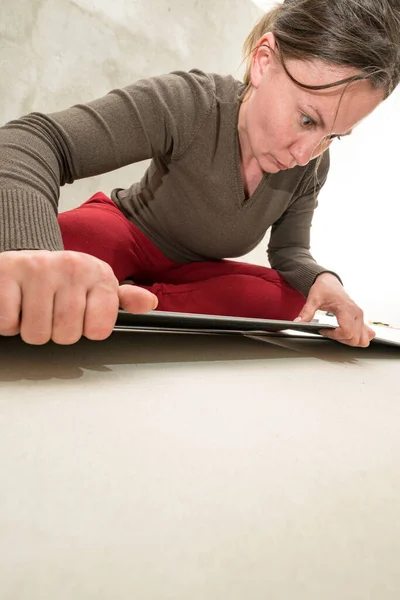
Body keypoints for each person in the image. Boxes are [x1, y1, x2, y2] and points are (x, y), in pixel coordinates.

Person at [0, 0, 399, 347]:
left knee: (294, 301)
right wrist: (31, 251)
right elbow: (35, 139)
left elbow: (289, 252)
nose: (304, 154)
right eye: (307, 119)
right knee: (69, 247)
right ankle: (117, 296)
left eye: (334, 136)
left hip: (196, 270)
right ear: (263, 62)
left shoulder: (312, 164)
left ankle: (129, 300)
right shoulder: (191, 102)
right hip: (127, 234)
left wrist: (321, 280)